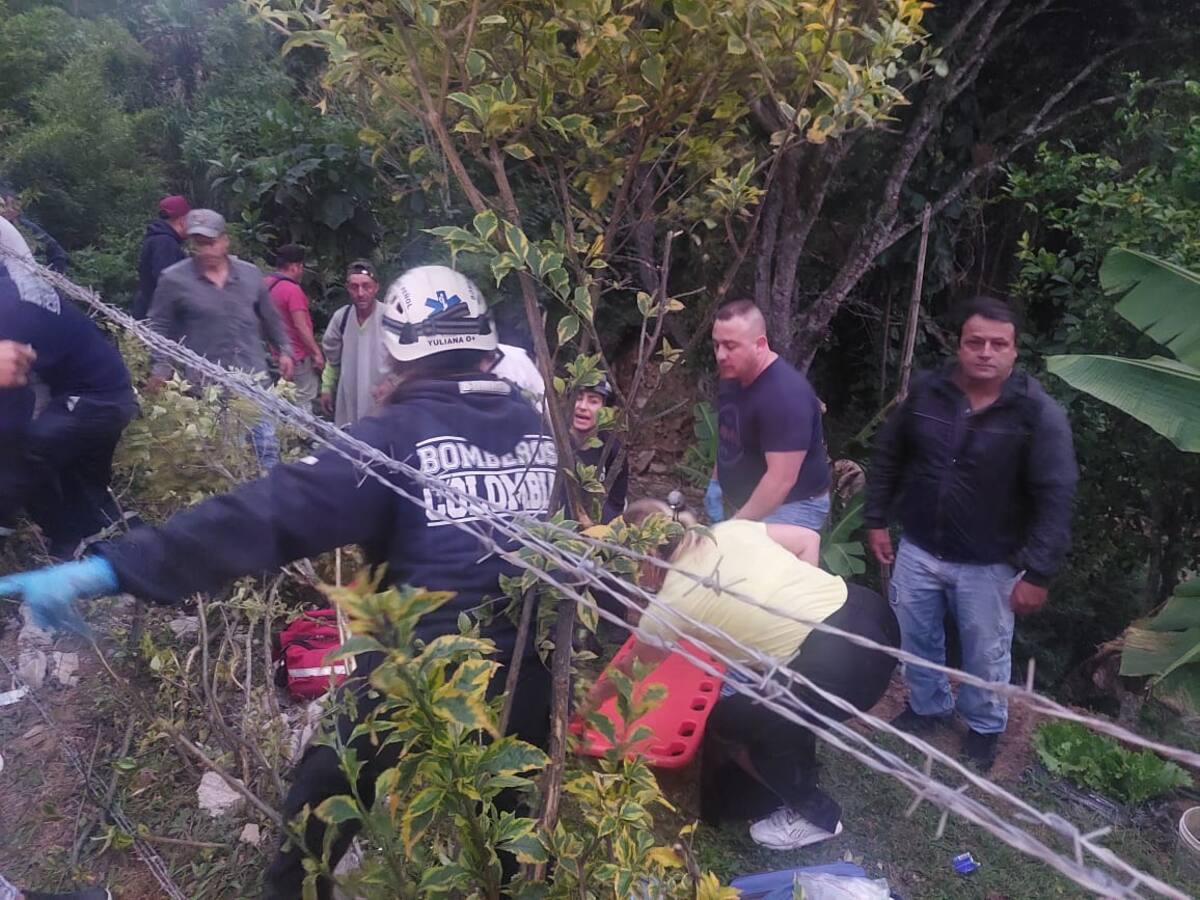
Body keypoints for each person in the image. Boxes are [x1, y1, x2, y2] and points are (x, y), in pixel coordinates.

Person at [0, 265, 556, 900]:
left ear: (397, 355)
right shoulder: (537, 428)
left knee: (322, 796)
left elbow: (266, 513)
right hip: (521, 673)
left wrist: (115, 567)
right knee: (506, 821)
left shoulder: (391, 440)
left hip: (414, 674)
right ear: (484, 344)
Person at [581, 499, 898, 851]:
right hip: (867, 611)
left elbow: (630, 671)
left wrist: (584, 708)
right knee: (773, 712)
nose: (635, 577)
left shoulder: (671, 604)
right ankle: (789, 755)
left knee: (733, 725)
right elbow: (808, 539)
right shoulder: (728, 530)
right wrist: (801, 607)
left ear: (645, 559)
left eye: (633, 566)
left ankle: (815, 815)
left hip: (844, 663)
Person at [864, 296, 1078, 771]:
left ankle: (984, 727)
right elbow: (889, 455)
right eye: (974, 341)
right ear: (958, 345)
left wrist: (1038, 572)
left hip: (991, 563)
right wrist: (876, 519)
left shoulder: (1037, 415)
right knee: (914, 638)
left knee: (986, 654)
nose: (986, 352)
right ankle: (926, 706)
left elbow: (1056, 496)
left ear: (1016, 351)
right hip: (918, 547)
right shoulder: (926, 393)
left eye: (998, 344)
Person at [0, 217, 138, 557]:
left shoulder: (11, 305)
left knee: (22, 458)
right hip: (93, 395)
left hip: (93, 400)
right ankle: (111, 551)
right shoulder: (16, 282)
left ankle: (71, 547)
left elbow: (12, 405)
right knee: (84, 496)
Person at [146, 209, 294, 469]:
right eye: (199, 244)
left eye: (211, 242)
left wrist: (284, 349)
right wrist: (160, 367)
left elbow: (271, 317)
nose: (206, 251)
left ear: (225, 240)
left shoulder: (249, 275)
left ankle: (272, 507)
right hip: (207, 388)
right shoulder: (174, 279)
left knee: (268, 454)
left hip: (254, 381)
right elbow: (158, 325)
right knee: (228, 461)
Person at [706, 299, 831, 564]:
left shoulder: (784, 397)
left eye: (730, 346)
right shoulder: (732, 373)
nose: (720, 355)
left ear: (760, 344)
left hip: (791, 507)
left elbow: (780, 480)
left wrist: (735, 527)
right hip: (748, 501)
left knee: (762, 592)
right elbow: (730, 435)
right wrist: (717, 482)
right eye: (716, 344)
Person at [319, 259, 387, 427]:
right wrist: (327, 387)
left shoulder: (391, 317)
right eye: (354, 287)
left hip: (383, 400)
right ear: (348, 288)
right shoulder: (341, 318)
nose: (361, 293)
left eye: (366, 286)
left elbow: (408, 360)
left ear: (376, 287)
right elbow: (332, 359)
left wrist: (394, 384)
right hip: (349, 397)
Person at [266, 244, 323, 410]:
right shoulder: (292, 290)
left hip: (276, 355)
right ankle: (302, 435)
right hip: (298, 357)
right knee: (304, 399)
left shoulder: (266, 284)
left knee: (283, 399)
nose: (302, 271)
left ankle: (286, 433)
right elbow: (301, 326)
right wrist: (316, 352)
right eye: (301, 266)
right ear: (294, 267)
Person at [569, 375, 628, 524]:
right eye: (578, 398)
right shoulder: (552, 443)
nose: (582, 406)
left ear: (606, 410)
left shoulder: (613, 451)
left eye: (593, 401)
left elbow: (615, 504)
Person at [132, 195, 189, 320]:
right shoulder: (165, 243)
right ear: (183, 220)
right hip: (156, 319)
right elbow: (167, 283)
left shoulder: (156, 238)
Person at [0, 185, 68, 274]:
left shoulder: (26, 228)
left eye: (16, 208)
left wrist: (55, 274)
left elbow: (56, 251)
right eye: (7, 205)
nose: (10, 210)